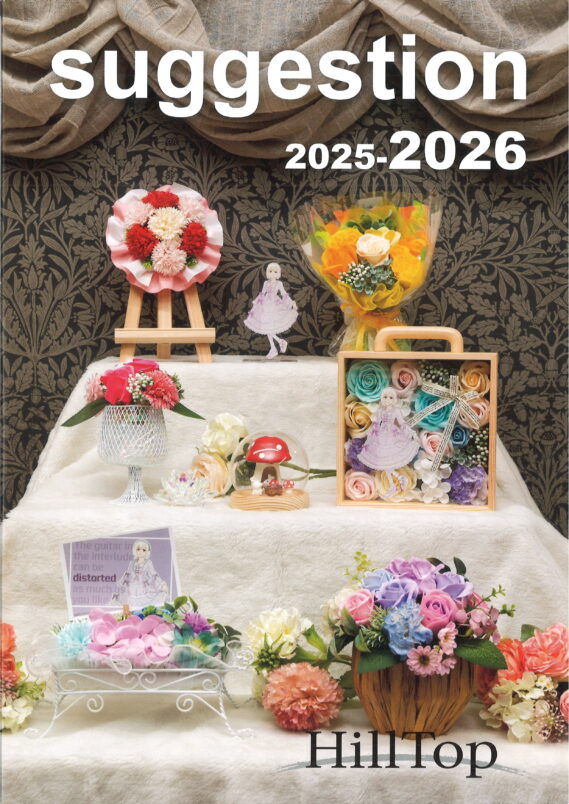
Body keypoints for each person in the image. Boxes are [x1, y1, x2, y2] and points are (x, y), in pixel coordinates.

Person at [359, 387, 419, 496]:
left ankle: (394, 483)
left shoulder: (396, 410)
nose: (388, 399)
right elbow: (376, 423)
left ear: (394, 399)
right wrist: (370, 434)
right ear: (382, 398)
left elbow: (402, 422)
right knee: (384, 462)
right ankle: (397, 480)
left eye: (391, 397)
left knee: (387, 461)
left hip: (392, 435)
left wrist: (410, 431)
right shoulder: (380, 410)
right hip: (381, 436)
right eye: (385, 397)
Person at [244, 262, 298, 358]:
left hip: (275, 305)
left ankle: (276, 346)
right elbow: (262, 293)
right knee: (267, 326)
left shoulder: (279, 283)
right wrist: (257, 303)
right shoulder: (266, 283)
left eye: (275, 272)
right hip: (265, 305)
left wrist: (291, 303)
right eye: (270, 271)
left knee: (269, 327)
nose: (272, 273)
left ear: (278, 273)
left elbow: (284, 294)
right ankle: (277, 344)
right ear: (267, 272)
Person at [112, 540, 169, 616]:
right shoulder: (132, 563)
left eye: (143, 550)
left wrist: (162, 585)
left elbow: (154, 575)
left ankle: (143, 616)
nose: (140, 552)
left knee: (146, 604)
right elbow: (127, 575)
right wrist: (122, 584)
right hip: (132, 589)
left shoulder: (148, 563)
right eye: (138, 549)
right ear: (135, 550)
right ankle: (130, 617)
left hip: (143, 589)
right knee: (127, 604)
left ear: (147, 552)